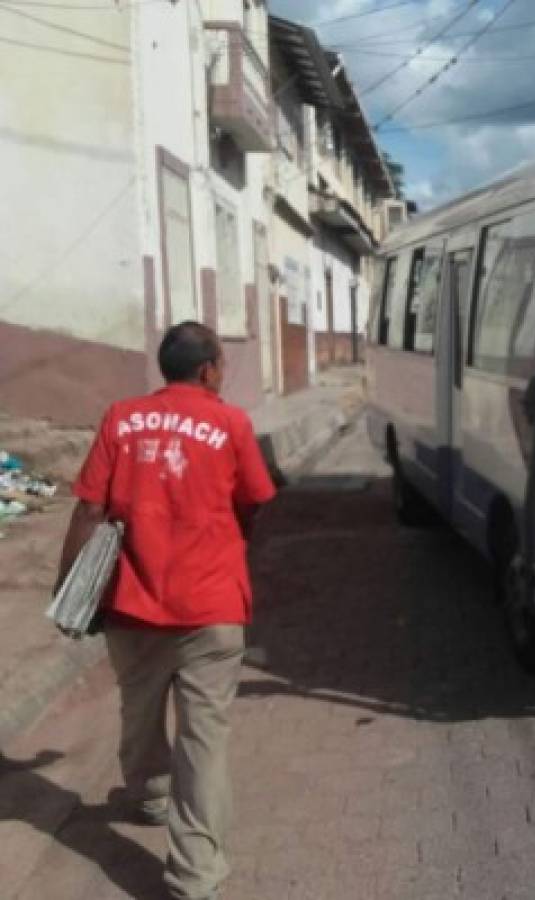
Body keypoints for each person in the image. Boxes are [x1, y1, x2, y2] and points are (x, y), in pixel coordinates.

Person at [56, 321, 277, 900]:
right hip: (212, 608)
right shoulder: (230, 422)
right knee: (204, 742)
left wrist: (69, 590)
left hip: (131, 605)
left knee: (139, 708)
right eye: (222, 365)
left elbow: (87, 510)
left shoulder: (120, 418)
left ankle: (151, 795)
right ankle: (195, 877)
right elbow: (254, 501)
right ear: (208, 370)